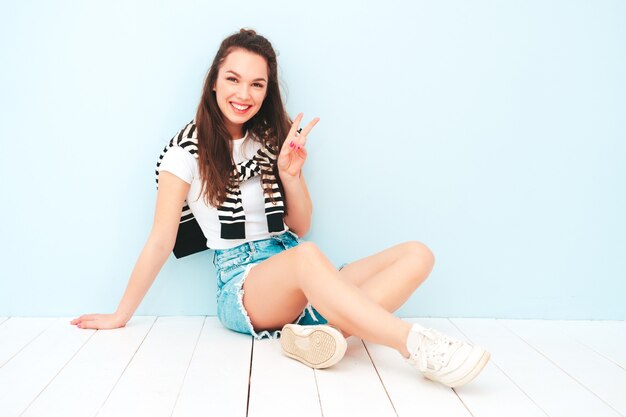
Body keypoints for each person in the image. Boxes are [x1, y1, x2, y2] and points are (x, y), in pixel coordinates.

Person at [71, 28, 490, 388]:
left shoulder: (272, 137)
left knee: (418, 254)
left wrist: (290, 174)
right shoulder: (185, 150)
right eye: (233, 79)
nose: (244, 94)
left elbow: (300, 226)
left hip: (293, 264)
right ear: (213, 82)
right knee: (308, 258)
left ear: (267, 90)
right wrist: (120, 315)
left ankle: (320, 335)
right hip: (242, 284)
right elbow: (162, 238)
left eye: (257, 84)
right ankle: (415, 344)